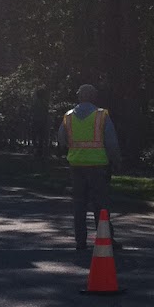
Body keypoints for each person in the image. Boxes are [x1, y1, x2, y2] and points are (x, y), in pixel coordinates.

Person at [58, 84, 122, 253]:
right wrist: (116, 161)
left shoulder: (68, 116)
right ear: (94, 97)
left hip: (76, 166)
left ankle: (80, 241)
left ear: (79, 97)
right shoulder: (101, 116)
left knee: (79, 205)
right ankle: (105, 239)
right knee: (101, 205)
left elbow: (62, 139)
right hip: (98, 166)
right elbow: (111, 143)